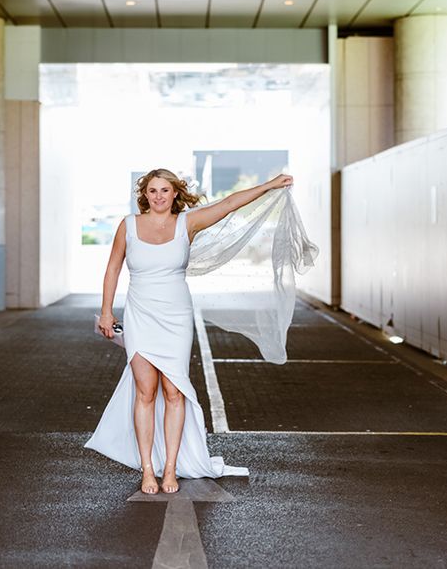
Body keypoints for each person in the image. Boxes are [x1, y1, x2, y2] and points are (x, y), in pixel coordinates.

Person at [84, 168, 294, 494]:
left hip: (176, 317)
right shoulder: (128, 225)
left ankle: (170, 470)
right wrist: (107, 311)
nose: (158, 197)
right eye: (152, 191)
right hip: (141, 315)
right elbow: (113, 267)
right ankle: (148, 470)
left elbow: (229, 203)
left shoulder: (188, 223)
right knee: (145, 391)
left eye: (164, 190)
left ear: (174, 193)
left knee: (173, 391)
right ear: (144, 195)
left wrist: (270, 185)